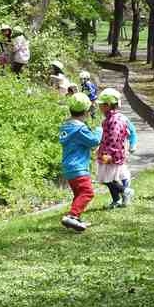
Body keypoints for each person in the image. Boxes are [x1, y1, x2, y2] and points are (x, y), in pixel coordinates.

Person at [59, 92, 103, 232]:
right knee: (87, 192)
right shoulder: (80, 129)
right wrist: (98, 130)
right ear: (86, 112)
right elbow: (94, 142)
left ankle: (75, 218)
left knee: (79, 194)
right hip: (78, 167)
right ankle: (72, 216)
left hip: (68, 168)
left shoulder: (66, 127)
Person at [95, 88, 134, 208]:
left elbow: (114, 138)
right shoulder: (109, 119)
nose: (99, 107)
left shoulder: (115, 120)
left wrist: (108, 154)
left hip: (112, 154)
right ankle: (116, 199)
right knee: (109, 178)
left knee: (108, 178)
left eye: (101, 105)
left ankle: (125, 191)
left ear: (108, 105)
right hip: (108, 152)